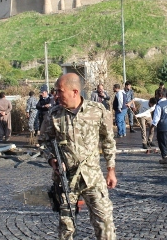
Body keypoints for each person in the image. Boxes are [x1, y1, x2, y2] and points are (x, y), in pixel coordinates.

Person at [40, 73, 117, 239]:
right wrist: (51, 158)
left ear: (75, 91)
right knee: (66, 228)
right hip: (66, 180)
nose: (56, 95)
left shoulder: (97, 111)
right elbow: (43, 141)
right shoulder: (53, 115)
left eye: (60, 91)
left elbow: (108, 141)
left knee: (105, 223)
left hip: (93, 178)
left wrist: (111, 169)